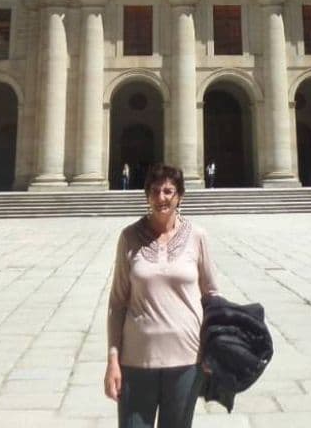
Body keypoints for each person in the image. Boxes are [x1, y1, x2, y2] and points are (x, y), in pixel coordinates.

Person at [104, 163, 218, 427]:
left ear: (179, 196)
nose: (161, 197)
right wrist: (113, 359)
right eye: (155, 191)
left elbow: (212, 296)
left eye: (168, 191)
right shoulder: (130, 237)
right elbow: (117, 304)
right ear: (147, 195)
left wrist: (214, 349)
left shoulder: (197, 236)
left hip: (188, 358)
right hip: (136, 360)